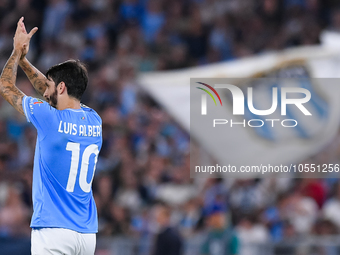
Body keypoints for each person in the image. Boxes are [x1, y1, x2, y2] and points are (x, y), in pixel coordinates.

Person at [0, 17, 102, 254]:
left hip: (54, 231)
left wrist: (16, 53)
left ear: (62, 87)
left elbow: (5, 86)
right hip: (86, 234)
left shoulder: (49, 119)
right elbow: (52, 94)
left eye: (50, 86)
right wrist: (26, 61)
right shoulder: (94, 119)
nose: (44, 92)